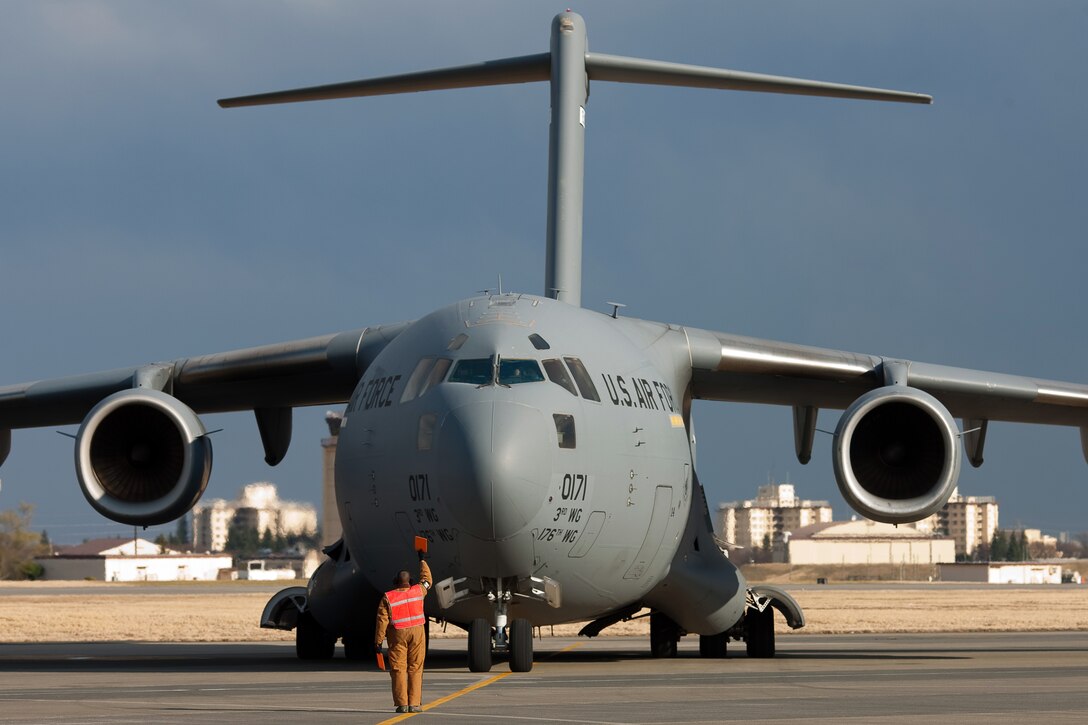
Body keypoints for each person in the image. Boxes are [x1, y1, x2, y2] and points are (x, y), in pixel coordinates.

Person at [374, 550, 432, 713]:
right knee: (415, 667)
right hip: (417, 633)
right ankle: (414, 704)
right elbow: (427, 580)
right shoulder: (418, 591)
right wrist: (422, 560)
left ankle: (402, 704)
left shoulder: (388, 597)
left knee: (399, 669)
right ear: (410, 581)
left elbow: (382, 620)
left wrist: (378, 641)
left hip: (397, 634)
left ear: (395, 582)